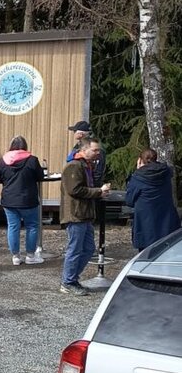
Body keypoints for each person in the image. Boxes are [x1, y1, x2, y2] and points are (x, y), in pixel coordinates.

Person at [59, 139, 110, 296]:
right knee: (74, 249)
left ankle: (72, 279)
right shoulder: (73, 166)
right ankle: (68, 282)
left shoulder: (86, 166)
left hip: (85, 215)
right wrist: (98, 191)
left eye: (98, 151)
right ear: (85, 149)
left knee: (88, 249)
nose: (98, 153)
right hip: (75, 215)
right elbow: (75, 190)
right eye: (95, 150)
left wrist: (100, 193)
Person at [0, 136, 46, 265]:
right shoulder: (32, 160)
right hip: (28, 199)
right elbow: (40, 176)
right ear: (25, 146)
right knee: (32, 226)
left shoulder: (2, 161)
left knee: (13, 227)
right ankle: (30, 255)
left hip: (9, 199)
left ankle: (15, 257)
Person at [125, 149, 181, 251]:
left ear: (140, 161)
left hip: (146, 221)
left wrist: (138, 170)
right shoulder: (166, 172)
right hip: (167, 219)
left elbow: (129, 200)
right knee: (167, 252)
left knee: (147, 254)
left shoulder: (138, 177)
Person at [66, 121, 107, 187]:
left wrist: (94, 188)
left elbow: (98, 172)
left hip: (89, 188)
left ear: (80, 134)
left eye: (74, 131)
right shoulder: (78, 145)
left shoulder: (94, 148)